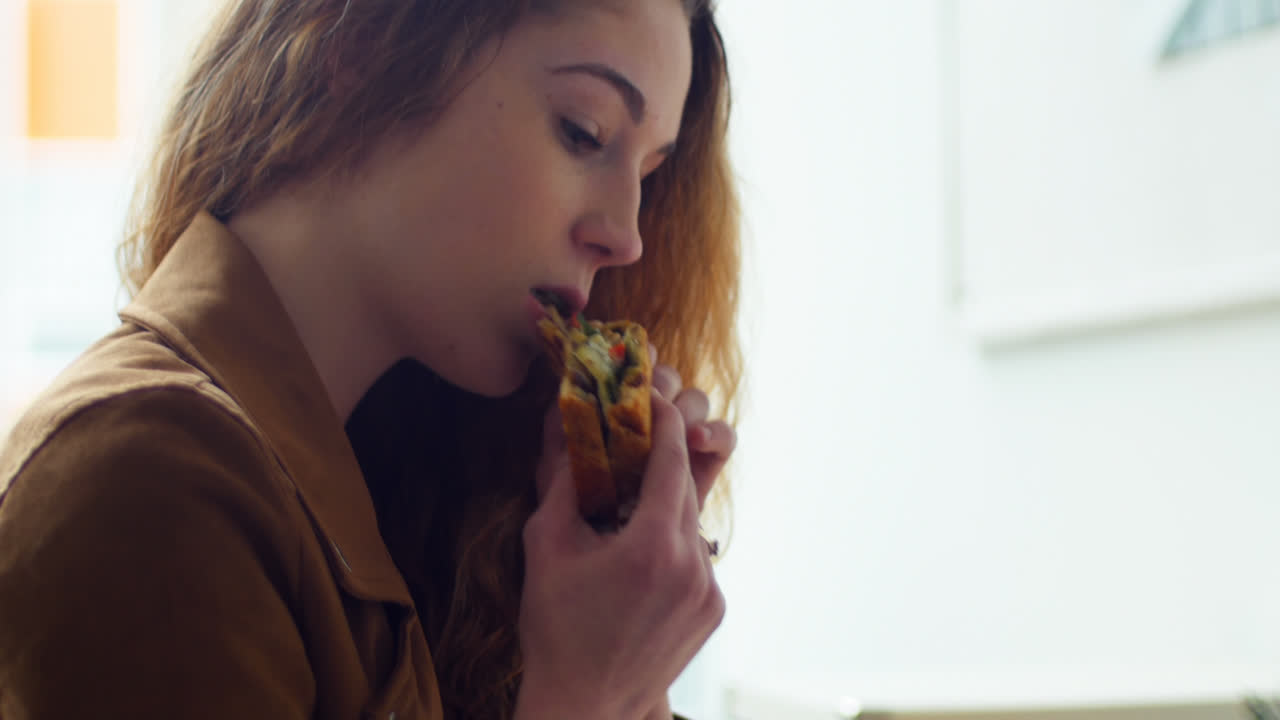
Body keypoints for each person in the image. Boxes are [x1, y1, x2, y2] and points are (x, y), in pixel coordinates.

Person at [0, 0, 743, 717]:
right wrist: (588, 696)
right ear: (360, 48)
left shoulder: (384, 503)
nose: (627, 235)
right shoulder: (149, 480)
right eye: (584, 131)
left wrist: (627, 642)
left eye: (646, 178)